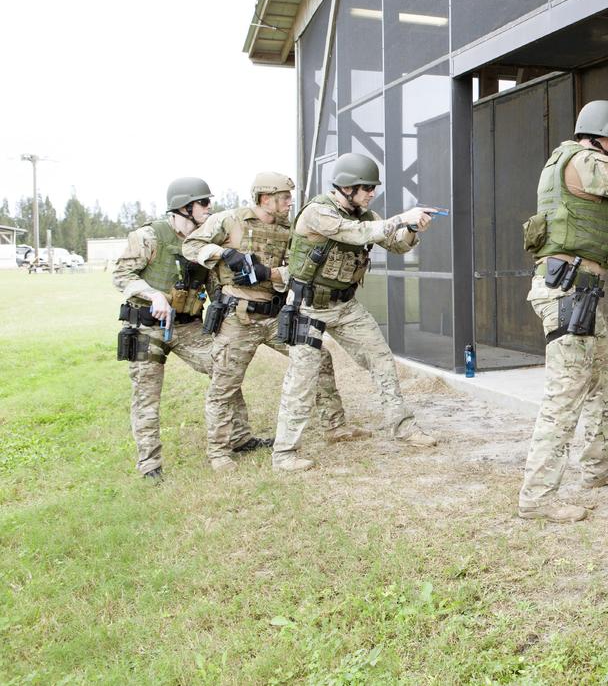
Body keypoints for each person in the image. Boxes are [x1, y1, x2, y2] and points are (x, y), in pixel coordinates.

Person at [517, 100, 608, 523]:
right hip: (567, 292)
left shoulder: (572, 160)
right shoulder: (584, 159)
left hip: (582, 292)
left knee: (601, 380)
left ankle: (599, 467)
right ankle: (537, 498)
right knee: (564, 396)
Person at [182, 172, 363, 473]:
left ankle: (335, 426)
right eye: (285, 197)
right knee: (224, 384)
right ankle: (219, 452)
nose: (291, 202)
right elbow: (191, 246)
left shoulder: (290, 229)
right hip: (238, 318)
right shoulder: (230, 221)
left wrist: (270, 274)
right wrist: (224, 253)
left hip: (277, 315)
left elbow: (299, 268)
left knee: (318, 357)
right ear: (266, 198)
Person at [271, 153, 440, 472]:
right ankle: (284, 452)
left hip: (345, 306)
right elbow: (354, 234)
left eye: (373, 188)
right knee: (302, 377)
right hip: (308, 305)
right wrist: (402, 218)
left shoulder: (367, 215)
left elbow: (397, 244)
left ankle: (402, 427)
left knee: (381, 359)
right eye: (366, 188)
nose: (371, 193)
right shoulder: (318, 213)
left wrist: (413, 229)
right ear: (346, 187)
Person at [113, 177, 243, 480]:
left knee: (225, 366)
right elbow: (121, 274)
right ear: (184, 207)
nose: (209, 208)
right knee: (146, 394)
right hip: (146, 325)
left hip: (187, 327)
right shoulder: (149, 237)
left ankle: (240, 437)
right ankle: (149, 464)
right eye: (203, 203)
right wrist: (153, 294)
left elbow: (214, 286)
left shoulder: (203, 241)